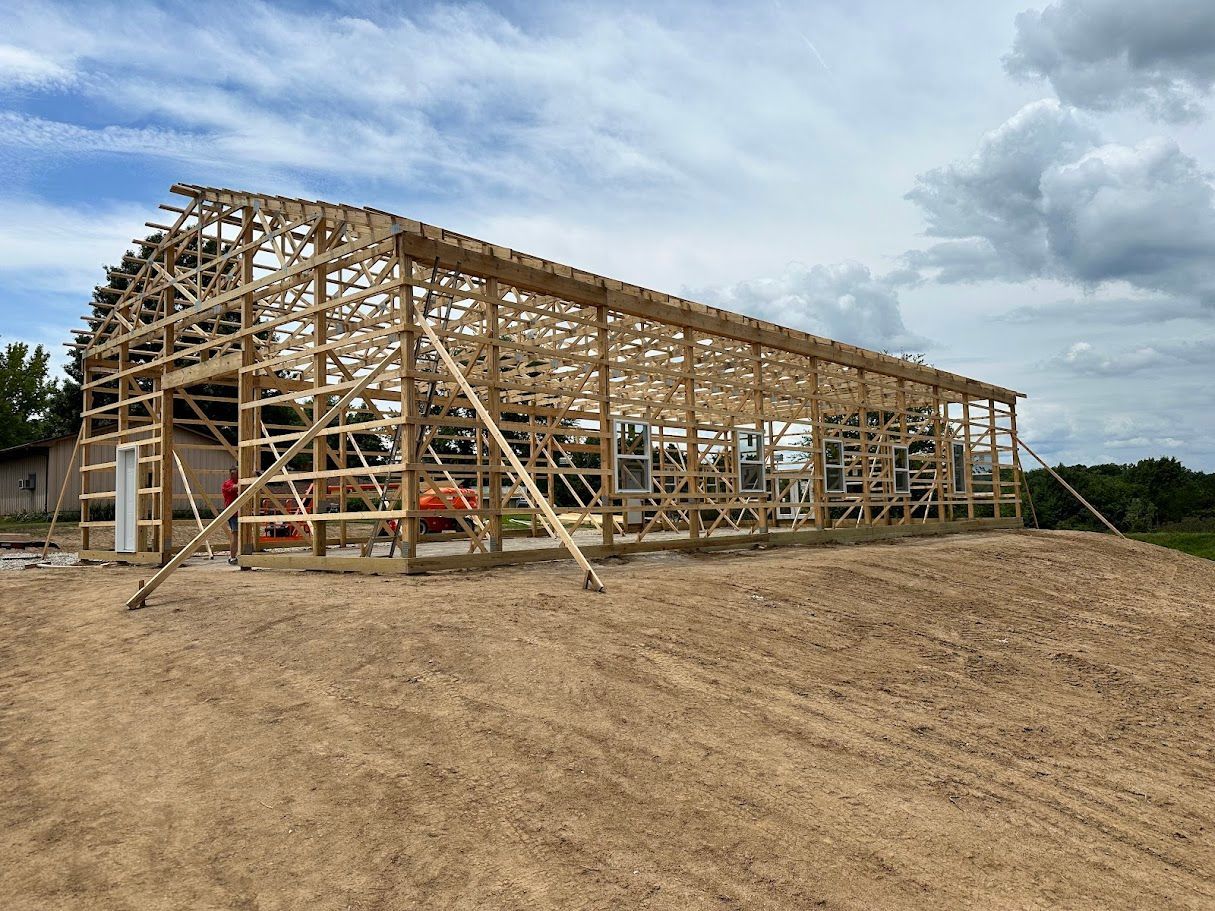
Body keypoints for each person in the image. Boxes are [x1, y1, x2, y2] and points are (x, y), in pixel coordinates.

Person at [222, 466, 239, 565]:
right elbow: (235, 487)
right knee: (235, 533)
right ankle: (232, 557)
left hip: (241, 511)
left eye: (235, 473)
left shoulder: (238, 482)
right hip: (233, 513)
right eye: (232, 473)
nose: (234, 475)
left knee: (242, 534)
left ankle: (238, 555)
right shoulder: (227, 484)